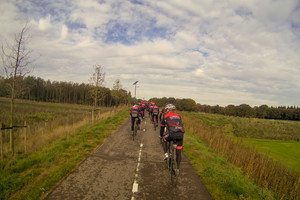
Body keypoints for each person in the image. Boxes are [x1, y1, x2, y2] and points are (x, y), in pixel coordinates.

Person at [160, 104, 185, 175]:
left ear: (167, 110)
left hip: (172, 134)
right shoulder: (178, 116)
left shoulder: (166, 116)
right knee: (179, 151)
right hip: (180, 134)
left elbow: (162, 127)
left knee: (164, 139)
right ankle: (178, 168)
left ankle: (166, 154)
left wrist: (161, 135)